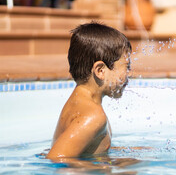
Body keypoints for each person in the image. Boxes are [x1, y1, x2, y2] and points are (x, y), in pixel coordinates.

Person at [46, 21, 132, 159]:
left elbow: (88, 148)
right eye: (126, 67)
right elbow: (56, 159)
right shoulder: (93, 116)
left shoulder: (79, 103)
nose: (130, 74)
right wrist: (99, 169)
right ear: (100, 70)